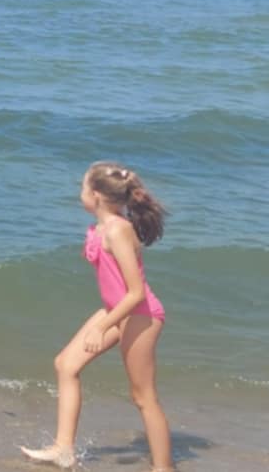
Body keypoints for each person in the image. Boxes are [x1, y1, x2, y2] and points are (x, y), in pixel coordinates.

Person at [22, 163, 172, 471]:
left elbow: (136, 293)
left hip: (140, 315)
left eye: (82, 188)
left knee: (143, 397)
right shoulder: (102, 228)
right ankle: (63, 450)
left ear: (96, 195)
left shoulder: (117, 230)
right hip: (117, 311)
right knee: (66, 364)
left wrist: (102, 327)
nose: (79, 194)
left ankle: (164, 468)